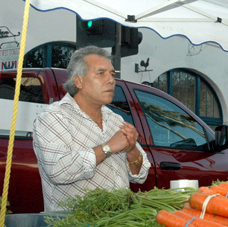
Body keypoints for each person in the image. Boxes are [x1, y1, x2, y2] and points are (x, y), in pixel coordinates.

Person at [33, 46, 151, 211]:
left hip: (117, 224)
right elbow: (58, 170)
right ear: (78, 81)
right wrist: (108, 147)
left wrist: (132, 150)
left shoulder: (115, 119)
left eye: (112, 74)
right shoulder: (53, 117)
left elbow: (140, 175)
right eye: (101, 73)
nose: (111, 80)